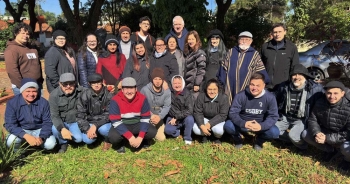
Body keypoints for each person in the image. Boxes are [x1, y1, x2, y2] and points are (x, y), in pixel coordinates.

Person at [302, 81, 350, 171]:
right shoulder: (320, 102)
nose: (332, 96)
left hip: (342, 137)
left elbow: (348, 133)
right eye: (329, 93)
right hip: (325, 131)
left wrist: (327, 138)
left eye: (336, 93)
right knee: (305, 134)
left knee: (346, 147)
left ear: (342, 93)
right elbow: (313, 119)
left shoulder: (348, 107)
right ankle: (330, 150)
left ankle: (347, 160)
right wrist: (317, 132)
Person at [224, 73, 279, 151]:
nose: (254, 88)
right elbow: (233, 113)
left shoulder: (270, 97)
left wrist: (261, 126)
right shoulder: (241, 96)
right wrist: (243, 123)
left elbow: (273, 116)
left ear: (263, 86)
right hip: (243, 124)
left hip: (259, 125)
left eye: (258, 85)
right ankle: (238, 140)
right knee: (228, 125)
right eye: (252, 85)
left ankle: (258, 141)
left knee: (274, 132)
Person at [274, 64, 324, 151]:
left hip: (302, 119)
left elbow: (325, 101)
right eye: (294, 74)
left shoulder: (315, 88)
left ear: (305, 76)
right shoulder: (284, 86)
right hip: (285, 116)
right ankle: (289, 140)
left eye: (300, 74)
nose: (297, 77)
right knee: (271, 131)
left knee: (294, 136)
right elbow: (274, 98)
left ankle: (302, 146)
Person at [217, 31, 269, 104]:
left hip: (246, 87)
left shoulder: (255, 54)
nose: (244, 41)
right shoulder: (231, 52)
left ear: (251, 41)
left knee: (243, 105)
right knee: (228, 105)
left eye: (247, 39)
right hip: (230, 86)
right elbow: (223, 68)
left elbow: (260, 71)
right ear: (238, 41)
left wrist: (262, 83)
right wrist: (222, 82)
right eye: (242, 39)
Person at [4, 78, 56, 151]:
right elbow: (10, 124)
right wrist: (26, 136)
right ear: (22, 91)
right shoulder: (12, 103)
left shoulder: (43, 103)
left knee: (50, 144)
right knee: (11, 141)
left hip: (39, 129)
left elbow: (47, 122)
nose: (31, 94)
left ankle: (37, 143)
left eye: (34, 91)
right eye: (28, 91)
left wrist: (42, 137)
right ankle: (19, 152)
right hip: (22, 129)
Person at [108, 77, 157, 153]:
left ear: (136, 89)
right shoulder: (115, 100)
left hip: (138, 123)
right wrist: (130, 137)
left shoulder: (142, 99)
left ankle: (142, 140)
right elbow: (115, 120)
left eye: (131, 88)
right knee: (113, 137)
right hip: (123, 123)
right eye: (126, 88)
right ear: (122, 90)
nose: (129, 91)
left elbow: (145, 118)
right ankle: (121, 143)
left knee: (152, 132)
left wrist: (140, 137)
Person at [50, 73, 95, 153]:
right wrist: (62, 128)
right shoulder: (54, 95)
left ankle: (72, 136)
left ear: (75, 83)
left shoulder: (82, 91)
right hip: (62, 121)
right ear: (60, 84)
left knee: (79, 139)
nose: (68, 86)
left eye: (71, 83)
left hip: (75, 121)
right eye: (65, 84)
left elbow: (94, 93)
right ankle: (63, 143)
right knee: (55, 129)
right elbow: (54, 115)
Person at [4, 22, 44, 96]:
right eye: (23, 33)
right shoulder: (12, 50)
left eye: (27, 34)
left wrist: (40, 80)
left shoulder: (32, 48)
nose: (25, 36)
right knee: (26, 107)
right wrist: (23, 86)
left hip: (37, 85)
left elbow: (38, 64)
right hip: (23, 88)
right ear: (16, 34)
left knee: (40, 107)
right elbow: (12, 71)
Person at [76, 73, 113, 151]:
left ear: (102, 82)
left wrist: (95, 125)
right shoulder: (84, 95)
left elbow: (109, 114)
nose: (96, 85)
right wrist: (87, 129)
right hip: (89, 121)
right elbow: (80, 114)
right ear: (89, 84)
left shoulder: (109, 94)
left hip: (104, 122)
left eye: (98, 82)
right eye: (93, 83)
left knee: (105, 130)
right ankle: (97, 136)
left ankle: (107, 139)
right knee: (88, 140)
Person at [261, 23, 299, 90]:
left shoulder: (291, 47)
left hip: (283, 86)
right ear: (272, 33)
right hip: (266, 86)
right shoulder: (265, 47)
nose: (277, 34)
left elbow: (294, 67)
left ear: (285, 32)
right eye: (275, 32)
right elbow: (260, 66)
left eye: (280, 32)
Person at [193, 78, 230, 144]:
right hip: (204, 118)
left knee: (219, 130)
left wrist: (209, 124)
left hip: (217, 120)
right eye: (209, 89)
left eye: (214, 89)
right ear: (206, 89)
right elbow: (197, 112)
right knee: (196, 129)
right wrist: (202, 125)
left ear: (218, 89)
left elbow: (223, 115)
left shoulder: (224, 97)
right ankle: (204, 135)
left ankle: (217, 137)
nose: (212, 92)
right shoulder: (201, 96)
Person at [141, 68, 171, 141]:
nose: (157, 81)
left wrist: (159, 117)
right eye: (155, 79)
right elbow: (141, 105)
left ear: (163, 80)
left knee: (162, 138)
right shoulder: (144, 90)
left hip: (159, 117)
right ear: (152, 79)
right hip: (147, 116)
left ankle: (156, 129)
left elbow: (167, 106)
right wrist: (151, 115)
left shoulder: (167, 92)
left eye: (160, 79)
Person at [164, 75, 194, 145]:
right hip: (172, 117)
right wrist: (174, 117)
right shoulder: (169, 93)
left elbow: (189, 110)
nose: (177, 85)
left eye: (179, 83)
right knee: (168, 130)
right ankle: (177, 132)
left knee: (190, 119)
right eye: (175, 83)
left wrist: (177, 117)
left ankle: (187, 138)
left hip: (184, 117)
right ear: (172, 84)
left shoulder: (187, 93)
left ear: (182, 83)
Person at [183, 30, 206, 97]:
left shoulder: (199, 53)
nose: (190, 41)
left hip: (195, 87)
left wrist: (197, 84)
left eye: (192, 39)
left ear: (196, 40)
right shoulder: (188, 53)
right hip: (188, 86)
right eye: (189, 39)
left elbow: (201, 70)